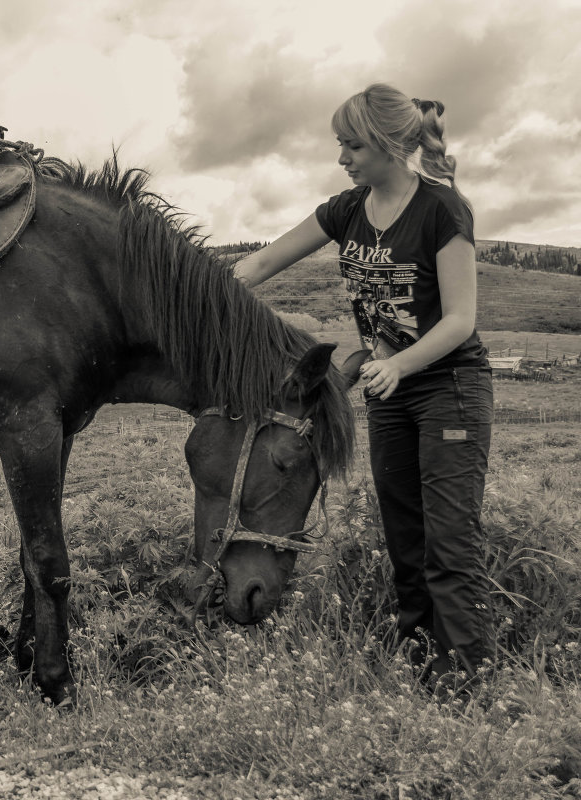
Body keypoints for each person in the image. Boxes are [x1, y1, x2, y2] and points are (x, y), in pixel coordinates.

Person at [234, 83, 494, 695]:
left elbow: (460, 320)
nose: (343, 158)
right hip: (389, 395)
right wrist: (198, 290)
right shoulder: (346, 210)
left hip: (448, 388)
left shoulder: (442, 210)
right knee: (405, 541)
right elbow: (261, 264)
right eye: (340, 146)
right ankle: (419, 672)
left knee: (449, 545)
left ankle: (467, 689)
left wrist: (402, 364)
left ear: (386, 144)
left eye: (351, 146)